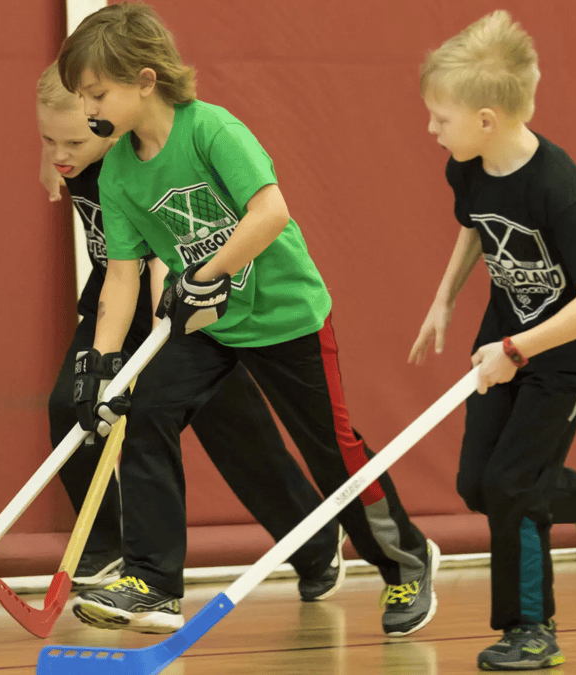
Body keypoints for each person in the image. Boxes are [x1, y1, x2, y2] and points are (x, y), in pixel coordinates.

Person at [57, 3, 439, 638]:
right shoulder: (118, 170)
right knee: (146, 411)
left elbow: (270, 213)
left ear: (145, 81)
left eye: (97, 93)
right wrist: (99, 363)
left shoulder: (212, 130)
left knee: (332, 450)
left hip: (285, 315)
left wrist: (205, 273)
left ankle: (405, 561)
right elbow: (121, 276)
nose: (87, 108)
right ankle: (153, 583)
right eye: (82, 96)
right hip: (211, 324)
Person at [35, 63, 346, 608]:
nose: (61, 153)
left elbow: (163, 258)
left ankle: (316, 543)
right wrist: (53, 157)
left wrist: (173, 328)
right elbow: (63, 150)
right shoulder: (76, 154)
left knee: (241, 441)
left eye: (74, 141)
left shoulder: (136, 165)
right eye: (47, 139)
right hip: (112, 310)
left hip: (176, 311)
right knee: (72, 404)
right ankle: (107, 545)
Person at [409, 11, 576, 670]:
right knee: (478, 484)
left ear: (486, 119)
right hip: (506, 337)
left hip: (566, 353)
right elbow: (477, 226)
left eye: (440, 118)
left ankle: (531, 628)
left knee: (514, 483)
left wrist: (517, 351)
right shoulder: (470, 165)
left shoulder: (561, 189)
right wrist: (444, 300)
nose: (431, 129)